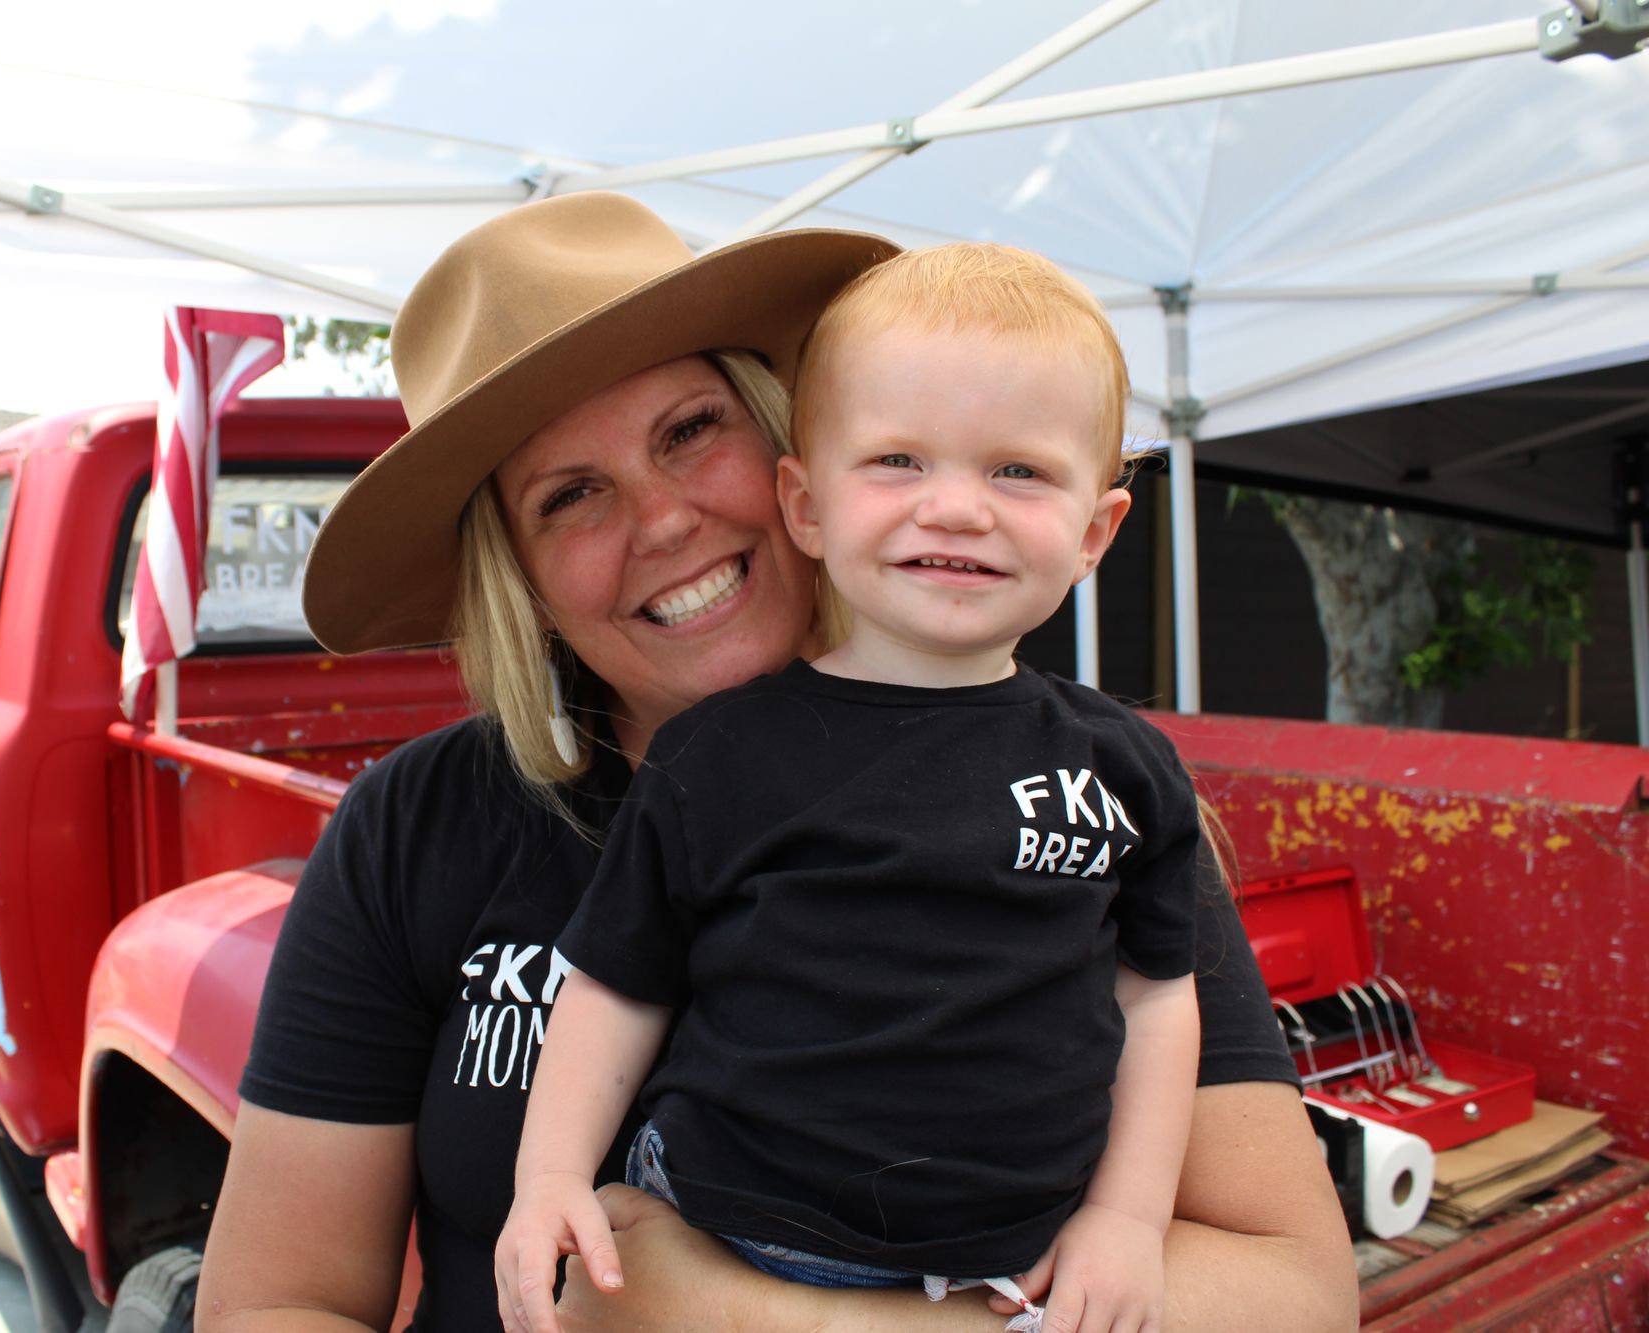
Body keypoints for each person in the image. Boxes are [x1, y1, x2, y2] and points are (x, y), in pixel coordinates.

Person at [197, 191, 1356, 1333]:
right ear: (524, 581)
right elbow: (273, 1302)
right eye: (572, 495)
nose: (660, 521)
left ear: (786, 450)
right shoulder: (419, 823)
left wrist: (748, 1322)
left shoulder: (1071, 787)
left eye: (690, 431)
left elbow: (1294, 1294)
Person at [496, 241, 1197, 1333]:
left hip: (1002, 1271)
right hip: (717, 1230)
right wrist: (547, 1178)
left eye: (1016, 470)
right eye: (897, 462)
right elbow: (614, 985)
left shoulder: (1122, 768)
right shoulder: (715, 758)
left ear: (1094, 532)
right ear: (805, 505)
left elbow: (1154, 997)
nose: (956, 508)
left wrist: (1128, 1218)